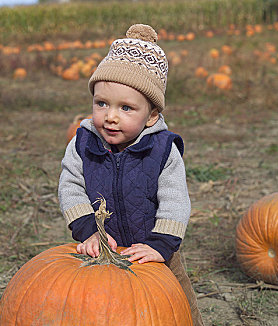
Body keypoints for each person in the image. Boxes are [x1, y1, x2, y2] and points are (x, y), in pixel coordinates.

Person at [58, 23, 204, 326]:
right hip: (102, 250)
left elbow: (175, 200)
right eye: (101, 104)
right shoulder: (82, 142)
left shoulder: (163, 150)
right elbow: (70, 186)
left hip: (153, 251)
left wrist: (161, 245)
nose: (110, 116)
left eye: (126, 108)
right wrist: (88, 230)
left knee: (178, 306)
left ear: (151, 115)